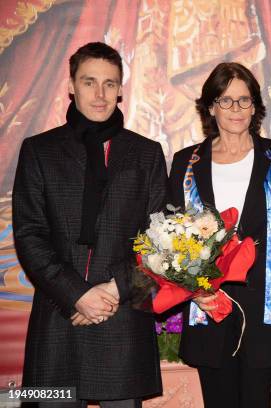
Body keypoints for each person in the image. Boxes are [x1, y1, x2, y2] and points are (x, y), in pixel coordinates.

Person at [12, 42, 167, 407]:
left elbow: (162, 239)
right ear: (70, 86)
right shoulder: (38, 150)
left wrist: (113, 291)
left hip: (123, 320)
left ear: (121, 90)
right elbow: (30, 235)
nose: (100, 94)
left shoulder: (146, 153)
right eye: (89, 82)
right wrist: (77, 295)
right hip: (58, 320)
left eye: (110, 84)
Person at [168, 62, 271, 408]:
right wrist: (192, 291)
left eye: (244, 100)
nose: (236, 109)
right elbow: (172, 240)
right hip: (208, 307)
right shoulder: (186, 162)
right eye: (226, 100)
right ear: (211, 106)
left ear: (255, 106)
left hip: (262, 307)